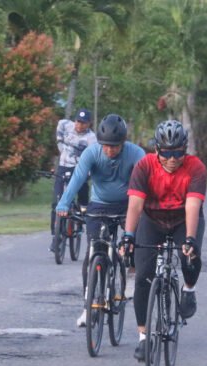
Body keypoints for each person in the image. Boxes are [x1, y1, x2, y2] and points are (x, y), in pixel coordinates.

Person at [119, 119, 207, 361]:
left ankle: (189, 288)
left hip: (182, 219)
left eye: (178, 152)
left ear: (185, 150)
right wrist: (128, 236)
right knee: (143, 275)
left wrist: (189, 239)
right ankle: (144, 338)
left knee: (189, 256)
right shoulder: (144, 166)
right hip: (152, 219)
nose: (171, 159)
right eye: (166, 153)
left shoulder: (196, 167)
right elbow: (135, 204)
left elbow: (192, 205)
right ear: (156, 149)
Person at [55, 114, 146, 327]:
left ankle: (130, 276)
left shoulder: (136, 153)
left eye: (114, 146)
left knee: (135, 242)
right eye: (106, 146)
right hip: (99, 205)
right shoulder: (92, 152)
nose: (109, 150)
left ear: (123, 142)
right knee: (93, 252)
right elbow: (78, 177)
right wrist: (64, 203)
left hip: (127, 205)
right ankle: (89, 305)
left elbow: (147, 179)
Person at [50, 108, 97, 251]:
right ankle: (56, 235)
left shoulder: (91, 138)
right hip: (64, 166)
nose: (79, 125)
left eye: (83, 123)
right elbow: (59, 125)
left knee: (82, 193)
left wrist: (88, 172)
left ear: (89, 124)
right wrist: (60, 144)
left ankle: (81, 215)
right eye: (78, 121)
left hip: (80, 169)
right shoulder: (66, 124)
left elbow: (93, 156)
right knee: (56, 202)